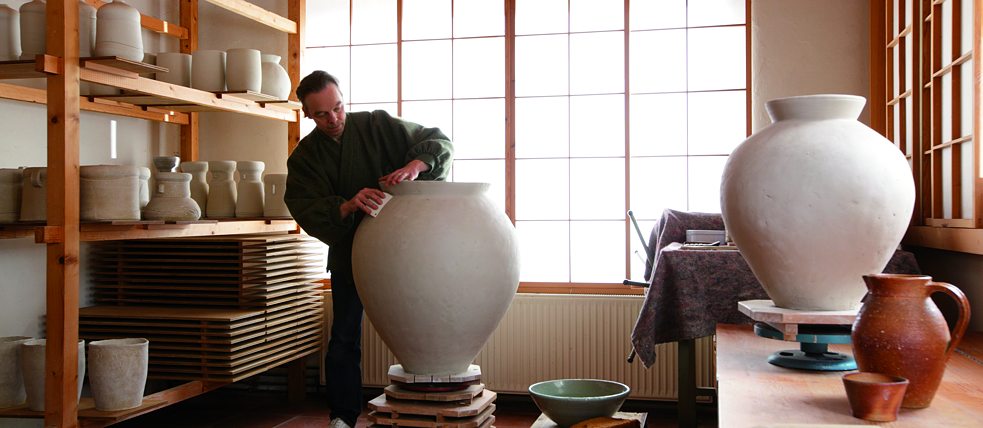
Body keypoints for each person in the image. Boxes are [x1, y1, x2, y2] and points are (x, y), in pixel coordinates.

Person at [283, 70, 454, 428]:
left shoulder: (376, 125)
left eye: (339, 108)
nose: (334, 119)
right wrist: (346, 205)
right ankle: (343, 416)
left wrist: (414, 165)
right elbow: (303, 204)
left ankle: (430, 408)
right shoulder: (305, 157)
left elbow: (437, 141)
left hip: (403, 249)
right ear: (307, 115)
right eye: (322, 114)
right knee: (344, 336)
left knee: (424, 324)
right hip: (350, 254)